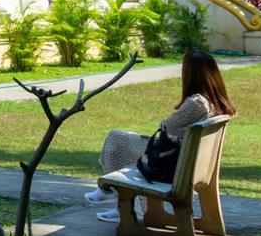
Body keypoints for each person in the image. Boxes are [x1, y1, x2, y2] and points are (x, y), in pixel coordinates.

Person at [86, 49, 237, 222]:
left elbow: (166, 126)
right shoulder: (215, 101)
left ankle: (112, 193)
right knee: (126, 144)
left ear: (190, 73)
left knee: (116, 137)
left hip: (173, 164)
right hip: (188, 163)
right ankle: (120, 202)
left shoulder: (197, 103)